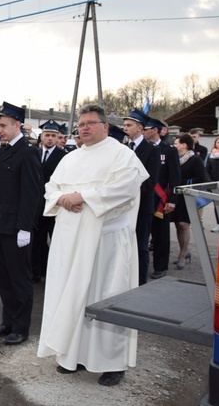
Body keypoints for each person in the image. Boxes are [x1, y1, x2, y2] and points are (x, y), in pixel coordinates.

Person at [38, 103, 148, 387]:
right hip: (70, 240)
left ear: (105, 127)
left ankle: (112, 362)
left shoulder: (122, 155)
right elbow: (51, 187)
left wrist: (81, 196)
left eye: (90, 123)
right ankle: (71, 355)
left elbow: (123, 190)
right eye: (81, 124)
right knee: (71, 296)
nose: (84, 128)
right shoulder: (70, 158)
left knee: (105, 297)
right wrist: (62, 199)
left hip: (106, 242)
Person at [0, 102, 42, 345]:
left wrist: (25, 228)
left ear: (17, 125)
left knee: (19, 278)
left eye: (3, 125)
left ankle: (20, 327)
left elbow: (31, 193)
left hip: (16, 227)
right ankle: (7, 322)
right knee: (4, 278)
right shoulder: (5, 150)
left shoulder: (27, 152)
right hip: (0, 224)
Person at [123, 110, 160, 286]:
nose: (125, 128)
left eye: (129, 125)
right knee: (124, 245)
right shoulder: (123, 149)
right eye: (124, 125)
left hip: (142, 206)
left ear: (140, 128)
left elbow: (150, 180)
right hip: (123, 206)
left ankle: (140, 283)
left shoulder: (152, 150)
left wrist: (128, 193)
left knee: (140, 246)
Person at [143, 118, 181, 279]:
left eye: (146, 128)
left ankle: (160, 266)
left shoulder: (169, 150)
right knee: (143, 234)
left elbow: (175, 176)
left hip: (161, 200)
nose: (143, 131)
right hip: (145, 198)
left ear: (155, 130)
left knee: (161, 236)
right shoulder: (142, 149)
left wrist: (172, 199)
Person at [31, 119, 67, 283]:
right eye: (47, 135)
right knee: (37, 240)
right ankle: (37, 271)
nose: (50, 138)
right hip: (36, 205)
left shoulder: (64, 157)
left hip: (55, 205)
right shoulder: (34, 154)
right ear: (41, 136)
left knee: (57, 239)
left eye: (54, 135)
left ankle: (55, 272)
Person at [172, 132, 208, 269]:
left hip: (188, 196)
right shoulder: (174, 158)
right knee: (177, 224)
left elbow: (201, 178)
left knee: (184, 224)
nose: (173, 146)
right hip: (176, 196)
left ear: (184, 145)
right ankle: (184, 251)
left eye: (176, 144)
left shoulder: (195, 159)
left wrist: (182, 182)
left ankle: (182, 255)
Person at [206, 135, 219, 233]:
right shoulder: (211, 155)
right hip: (215, 184)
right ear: (215, 144)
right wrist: (209, 182)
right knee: (217, 204)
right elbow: (207, 170)